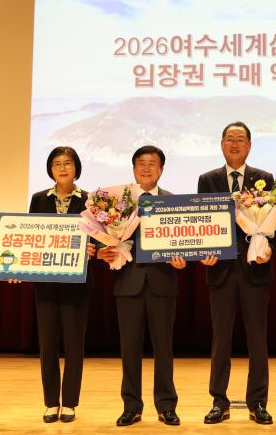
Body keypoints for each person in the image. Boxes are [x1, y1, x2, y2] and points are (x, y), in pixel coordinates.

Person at [97, 145, 187, 427]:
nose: (146, 168)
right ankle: (131, 406)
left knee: (164, 348)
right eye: (141, 163)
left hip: (162, 283)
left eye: (152, 163)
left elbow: (183, 241)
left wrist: (182, 258)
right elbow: (104, 238)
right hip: (128, 283)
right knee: (129, 349)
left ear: (161, 169)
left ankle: (166, 406)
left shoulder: (174, 202)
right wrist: (104, 252)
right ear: (134, 169)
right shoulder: (118, 203)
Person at [8, 146, 96, 423]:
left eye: (67, 163)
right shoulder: (39, 199)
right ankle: (50, 403)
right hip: (45, 284)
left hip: (77, 284)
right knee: (47, 346)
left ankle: (69, 403)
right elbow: (30, 236)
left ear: (76, 167)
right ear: (50, 169)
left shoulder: (90, 200)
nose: (62, 168)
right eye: (56, 164)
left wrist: (92, 248)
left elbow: (98, 236)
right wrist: (16, 265)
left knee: (74, 346)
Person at [197, 121, 274, 425]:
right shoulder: (208, 180)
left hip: (255, 269)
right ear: (221, 144)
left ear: (249, 146)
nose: (234, 144)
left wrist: (268, 250)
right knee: (220, 340)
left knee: (258, 339)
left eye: (240, 139)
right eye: (229, 139)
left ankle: (258, 402)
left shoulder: (264, 179)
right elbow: (202, 223)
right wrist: (203, 251)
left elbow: (269, 225)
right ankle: (219, 401)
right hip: (220, 271)